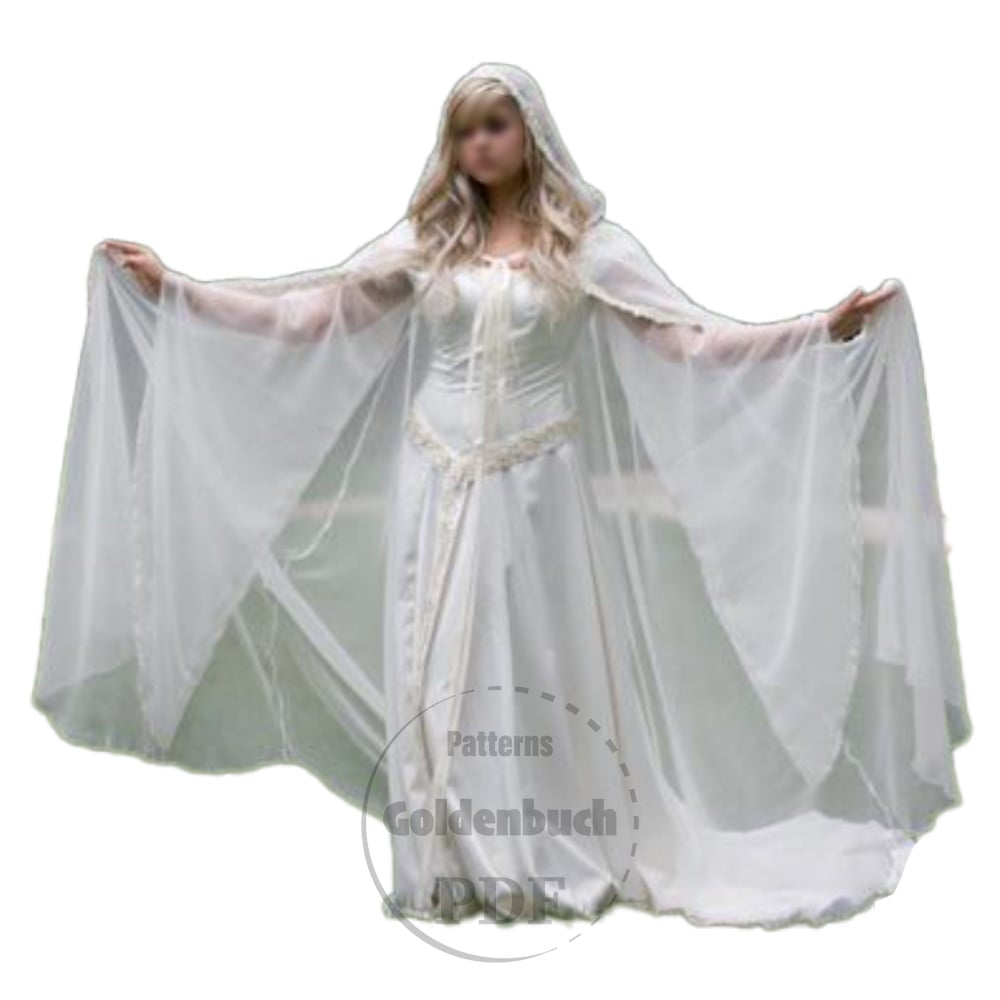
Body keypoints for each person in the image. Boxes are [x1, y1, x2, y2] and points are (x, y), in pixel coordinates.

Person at [33, 62, 970, 929]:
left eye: (495, 126)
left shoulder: (588, 248)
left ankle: (545, 851)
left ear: (532, 135)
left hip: (538, 489)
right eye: (464, 131)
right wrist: (178, 292)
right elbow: (308, 317)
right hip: (436, 482)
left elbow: (688, 341)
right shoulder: (426, 245)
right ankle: (449, 862)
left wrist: (813, 333)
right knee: (437, 665)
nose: (478, 145)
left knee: (536, 663)